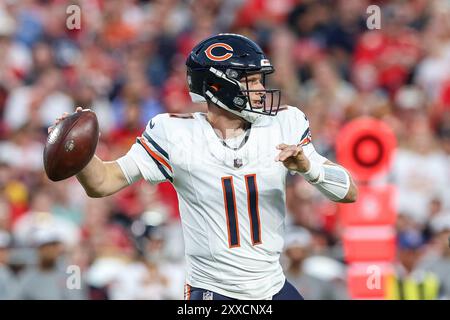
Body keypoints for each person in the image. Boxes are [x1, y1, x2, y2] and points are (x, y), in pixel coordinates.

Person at [50, 34, 357, 300]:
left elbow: (349, 191)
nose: (261, 89)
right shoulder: (175, 134)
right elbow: (102, 183)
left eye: (259, 80)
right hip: (214, 290)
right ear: (217, 86)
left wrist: (308, 168)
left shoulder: (285, 124)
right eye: (249, 81)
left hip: (273, 286)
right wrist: (78, 151)